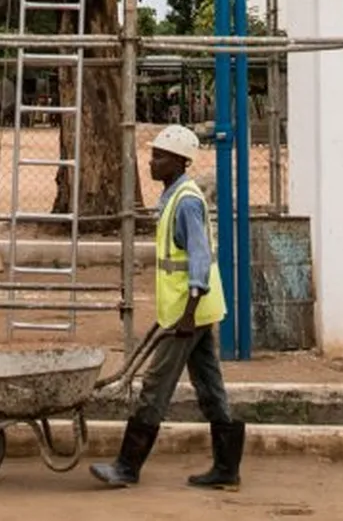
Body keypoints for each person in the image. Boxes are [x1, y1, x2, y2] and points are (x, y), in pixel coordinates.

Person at [90, 124, 244, 491]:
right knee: (209, 386)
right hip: (193, 311)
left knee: (155, 385)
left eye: (159, 156)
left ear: (178, 161)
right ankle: (227, 469)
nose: (151, 162)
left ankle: (127, 466)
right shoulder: (174, 196)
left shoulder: (186, 201)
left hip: (188, 313)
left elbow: (200, 257)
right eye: (153, 154)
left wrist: (188, 313)